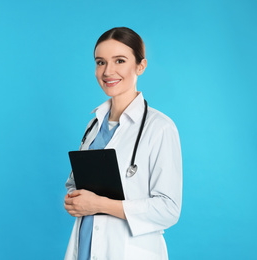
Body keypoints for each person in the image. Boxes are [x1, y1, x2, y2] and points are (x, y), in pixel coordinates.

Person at [63, 27, 182, 260]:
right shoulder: (93, 125)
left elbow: (169, 209)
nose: (108, 71)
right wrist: (74, 199)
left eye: (119, 60)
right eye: (100, 62)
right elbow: (74, 184)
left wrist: (100, 204)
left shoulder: (160, 127)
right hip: (85, 248)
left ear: (140, 66)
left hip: (129, 252)